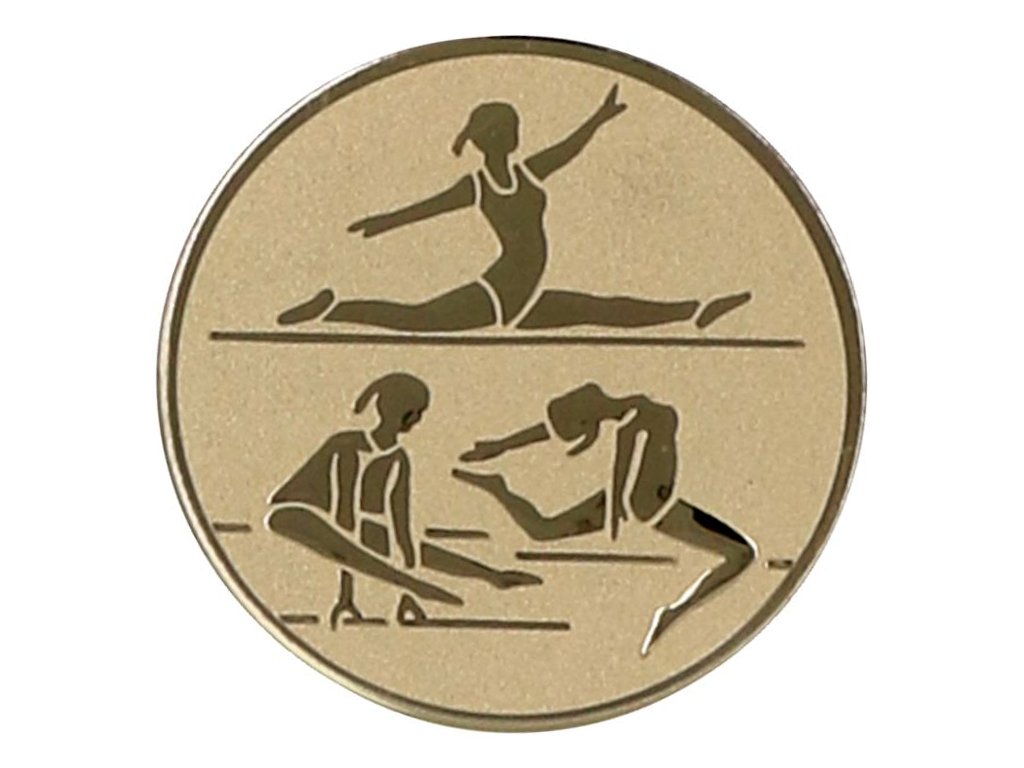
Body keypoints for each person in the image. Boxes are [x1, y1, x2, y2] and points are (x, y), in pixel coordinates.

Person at [278, 85, 751, 331]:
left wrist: (598, 119)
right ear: (498, 139)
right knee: (420, 318)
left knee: (601, 309)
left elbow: (568, 149)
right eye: (509, 131)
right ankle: (333, 309)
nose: (515, 137)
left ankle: (697, 309)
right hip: (501, 291)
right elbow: (429, 208)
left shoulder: (528, 173)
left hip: (526, 291)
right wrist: (383, 222)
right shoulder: (478, 185)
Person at [453, 382, 756, 655]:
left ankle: (499, 489)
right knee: (741, 554)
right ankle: (673, 612)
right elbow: (612, 464)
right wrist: (500, 445)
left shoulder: (635, 415)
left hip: (637, 505)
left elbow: (618, 463)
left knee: (543, 530)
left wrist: (614, 512)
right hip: (652, 510)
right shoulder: (631, 413)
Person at [265, 373, 539, 628]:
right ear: (406, 414)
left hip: (378, 538)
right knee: (340, 538)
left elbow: (402, 528)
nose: (418, 420)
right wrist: (347, 592)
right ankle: (367, 595)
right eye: (418, 413)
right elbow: (343, 515)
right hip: (341, 533)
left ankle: (413, 591)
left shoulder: (398, 458)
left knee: (396, 552)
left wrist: (487, 575)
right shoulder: (345, 445)